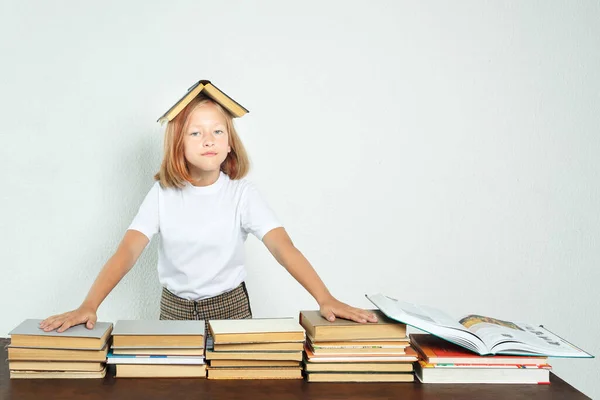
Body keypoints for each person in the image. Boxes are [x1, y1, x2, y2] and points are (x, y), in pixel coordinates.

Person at [40, 92, 377, 334]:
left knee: (232, 388)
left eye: (218, 131)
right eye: (196, 132)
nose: (208, 139)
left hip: (230, 309)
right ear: (179, 145)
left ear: (230, 143)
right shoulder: (162, 195)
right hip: (174, 312)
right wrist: (90, 305)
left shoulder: (242, 194)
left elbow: (284, 249)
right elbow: (127, 251)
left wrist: (325, 297)